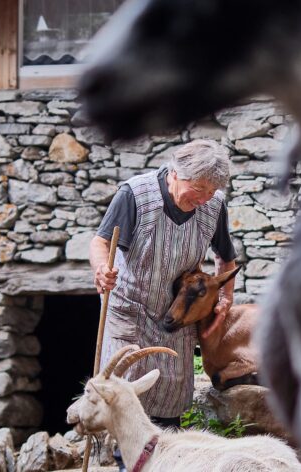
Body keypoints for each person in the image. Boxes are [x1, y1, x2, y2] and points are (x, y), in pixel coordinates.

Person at [89, 139, 237, 429]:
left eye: (212, 191)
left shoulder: (214, 207)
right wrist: (101, 269)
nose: (205, 199)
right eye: (199, 189)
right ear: (175, 173)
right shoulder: (135, 195)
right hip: (130, 313)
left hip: (176, 319)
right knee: (125, 397)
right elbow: (101, 242)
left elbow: (226, 260)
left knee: (170, 400)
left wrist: (225, 299)